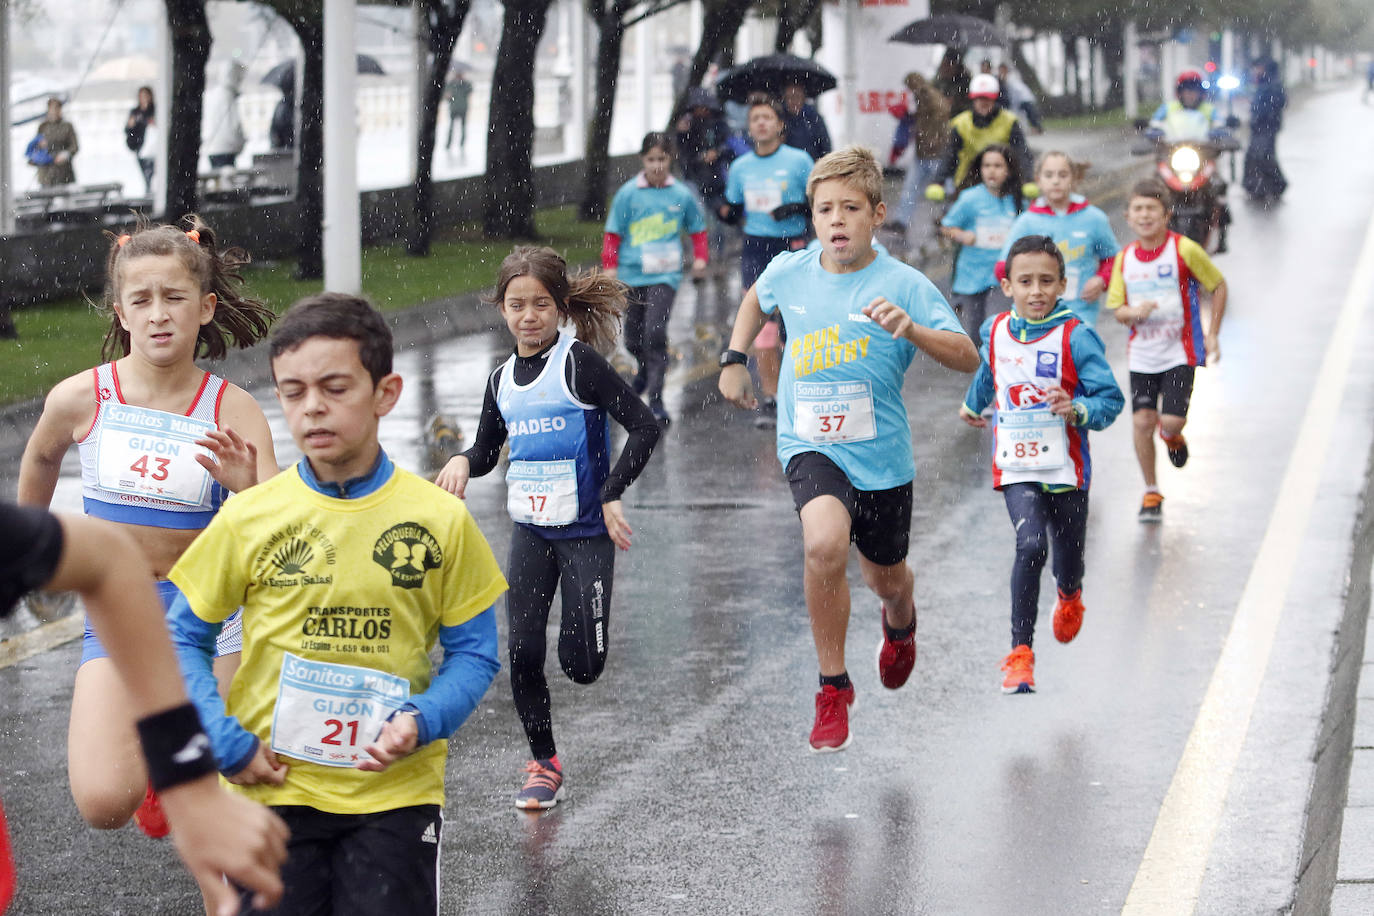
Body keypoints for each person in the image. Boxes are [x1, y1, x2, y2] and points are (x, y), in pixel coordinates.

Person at [166, 294, 505, 914]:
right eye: (292, 392)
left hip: (393, 798)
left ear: (386, 392)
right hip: (267, 793)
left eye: (334, 387)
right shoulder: (250, 516)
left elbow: (476, 654)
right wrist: (223, 738)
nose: (312, 407)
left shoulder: (441, 520)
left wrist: (423, 718)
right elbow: (183, 635)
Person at [19, 216, 277, 840]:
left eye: (175, 298)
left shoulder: (233, 409)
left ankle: (177, 771)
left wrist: (249, 491)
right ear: (121, 312)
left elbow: (279, 531)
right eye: (143, 300)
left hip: (212, 615)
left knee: (235, 799)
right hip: (121, 610)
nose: (159, 314)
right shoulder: (83, 398)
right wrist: (28, 545)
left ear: (206, 308)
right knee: (104, 803)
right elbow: (42, 456)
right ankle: (158, 768)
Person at [717, 146, 979, 752]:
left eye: (851, 209)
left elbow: (968, 356)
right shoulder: (791, 271)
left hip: (881, 456)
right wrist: (734, 359)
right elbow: (757, 296)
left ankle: (901, 617)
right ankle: (833, 685)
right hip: (810, 442)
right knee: (824, 544)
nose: (836, 220)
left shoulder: (903, 284)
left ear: (877, 214)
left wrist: (910, 330)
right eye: (824, 209)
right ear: (811, 218)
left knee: (884, 577)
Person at [435, 247, 660, 808]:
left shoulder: (578, 363)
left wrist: (611, 494)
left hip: (585, 532)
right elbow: (487, 451)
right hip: (531, 532)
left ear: (560, 308)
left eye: (540, 304)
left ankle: (583, 636)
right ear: (502, 309)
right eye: (516, 305)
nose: (528, 315)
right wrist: (464, 459)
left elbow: (644, 425)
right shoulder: (501, 380)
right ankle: (543, 761)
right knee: (522, 649)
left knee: (582, 665)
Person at [0, 505, 289, 916]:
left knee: (222, 807)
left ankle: (155, 763)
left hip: (204, 606)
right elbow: (44, 455)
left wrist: (185, 776)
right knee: (104, 800)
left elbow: (108, 559)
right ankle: (147, 760)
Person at [958, 235, 1124, 694]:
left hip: (1066, 471)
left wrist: (1077, 409)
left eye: (1046, 281)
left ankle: (1070, 594)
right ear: (1007, 285)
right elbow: (990, 372)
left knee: (1068, 557)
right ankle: (1020, 655)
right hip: (1017, 468)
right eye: (1025, 281)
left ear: (1063, 285)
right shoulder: (994, 329)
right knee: (1030, 546)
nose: (1036, 291)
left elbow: (1110, 399)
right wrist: (974, 405)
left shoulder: (1076, 335)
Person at [1106, 178, 1228, 522]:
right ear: (1128, 217)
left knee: (1171, 420)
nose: (1145, 216)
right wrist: (1134, 312)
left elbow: (1217, 286)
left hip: (1179, 350)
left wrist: (1213, 333)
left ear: (1166, 215)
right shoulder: (1125, 259)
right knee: (1142, 421)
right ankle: (1151, 491)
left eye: (1152, 209)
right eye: (1138, 210)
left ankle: (1172, 436)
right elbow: (1117, 309)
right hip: (1143, 355)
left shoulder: (1184, 250)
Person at [719, 92, 814, 427]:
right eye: (754, 118)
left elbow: (818, 202)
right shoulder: (741, 167)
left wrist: (797, 208)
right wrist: (725, 209)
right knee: (764, 327)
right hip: (756, 248)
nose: (760, 123)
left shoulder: (799, 161)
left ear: (779, 125)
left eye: (767, 117)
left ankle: (800, 393)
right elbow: (732, 208)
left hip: (792, 245)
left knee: (794, 325)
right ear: (749, 127)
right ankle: (772, 398)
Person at [603, 132, 709, 425]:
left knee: (655, 333)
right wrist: (610, 265)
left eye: (661, 158)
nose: (657, 165)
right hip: (632, 272)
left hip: (666, 274)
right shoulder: (628, 194)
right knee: (633, 337)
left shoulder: (681, 195)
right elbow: (613, 233)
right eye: (651, 159)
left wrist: (701, 258)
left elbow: (697, 229)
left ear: (670, 158)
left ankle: (657, 401)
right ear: (643, 160)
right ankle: (644, 369)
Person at [998, 151, 1119, 329]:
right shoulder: (1027, 222)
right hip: (1036, 315)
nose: (1056, 181)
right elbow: (1002, 267)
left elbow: (1114, 259)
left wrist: (1102, 280)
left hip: (1080, 311)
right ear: (1038, 180)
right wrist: (1026, 288)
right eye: (1049, 175)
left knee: (1075, 354)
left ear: (1075, 178)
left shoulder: (1093, 218)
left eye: (1063, 175)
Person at [939, 143, 1025, 339]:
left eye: (998, 166)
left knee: (1005, 326)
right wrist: (962, 236)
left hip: (1006, 272)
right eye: (987, 166)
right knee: (978, 330)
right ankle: (981, 364)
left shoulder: (1017, 199)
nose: (991, 171)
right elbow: (946, 227)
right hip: (974, 273)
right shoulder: (970, 198)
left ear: (1009, 170)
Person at [926, 74, 1034, 196]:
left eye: (987, 98)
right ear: (973, 99)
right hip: (968, 183)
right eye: (979, 98)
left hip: (1002, 185)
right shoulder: (961, 123)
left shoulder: (1009, 121)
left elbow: (1021, 152)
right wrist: (938, 182)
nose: (983, 103)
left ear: (994, 99)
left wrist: (1028, 179)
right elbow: (949, 154)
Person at [886, 72, 950, 254]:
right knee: (913, 189)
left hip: (935, 153)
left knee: (939, 190)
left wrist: (929, 132)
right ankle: (902, 222)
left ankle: (946, 221)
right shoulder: (920, 100)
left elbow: (941, 113)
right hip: (924, 153)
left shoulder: (928, 97)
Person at [674, 86, 735, 259]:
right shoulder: (687, 126)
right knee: (699, 219)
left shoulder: (719, 124)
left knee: (718, 221)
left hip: (716, 181)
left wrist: (717, 153)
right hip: (695, 180)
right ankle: (701, 256)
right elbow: (684, 155)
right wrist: (681, 135)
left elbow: (729, 148)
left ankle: (718, 255)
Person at [1242, 58, 1287, 202]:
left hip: (1267, 127)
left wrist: (1265, 115)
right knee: (1254, 156)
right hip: (1259, 127)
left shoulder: (1273, 85)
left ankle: (1275, 185)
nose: (1256, 71)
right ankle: (1256, 187)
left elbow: (1280, 103)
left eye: (1259, 68)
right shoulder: (1261, 84)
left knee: (1263, 156)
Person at [1148, 70, 1224, 143]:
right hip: (1171, 149)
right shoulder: (1168, 107)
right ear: (1180, 92)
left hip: (1204, 150)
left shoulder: (1209, 109)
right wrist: (1156, 131)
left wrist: (1217, 132)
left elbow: (1219, 124)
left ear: (1200, 93)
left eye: (1194, 91)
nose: (1190, 95)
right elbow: (1155, 122)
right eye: (1187, 91)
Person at [202, 62, 247, 170]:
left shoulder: (213, 95)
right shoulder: (228, 97)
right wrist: (240, 143)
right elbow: (234, 125)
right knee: (226, 181)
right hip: (227, 148)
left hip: (212, 147)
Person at [29, 97, 78, 187]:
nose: (54, 111)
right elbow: (34, 147)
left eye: (57, 108)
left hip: (64, 174)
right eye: (52, 108)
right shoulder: (43, 126)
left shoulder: (67, 126)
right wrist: (39, 148)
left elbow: (74, 146)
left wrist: (65, 155)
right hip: (46, 174)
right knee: (45, 198)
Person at [781, 80, 832, 163]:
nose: (793, 101)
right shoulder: (780, 116)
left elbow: (825, 145)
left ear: (803, 98)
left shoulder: (813, 117)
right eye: (789, 97)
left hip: (811, 164)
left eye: (797, 97)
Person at [125, 86, 157, 195]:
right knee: (145, 172)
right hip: (139, 144)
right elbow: (128, 128)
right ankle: (148, 190)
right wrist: (131, 125)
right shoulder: (135, 112)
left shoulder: (154, 110)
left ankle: (150, 190)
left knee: (152, 171)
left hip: (152, 146)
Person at [996, 63, 1043, 133]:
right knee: (1028, 114)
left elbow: (1015, 93)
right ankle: (1034, 128)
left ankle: (1035, 128)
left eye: (1002, 70)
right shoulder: (1007, 79)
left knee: (1028, 114)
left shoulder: (1010, 79)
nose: (1001, 73)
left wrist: (1013, 104)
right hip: (1023, 99)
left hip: (1023, 99)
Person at [934, 49, 972, 116]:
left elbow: (969, 106)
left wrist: (955, 103)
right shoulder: (938, 82)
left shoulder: (965, 83)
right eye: (944, 64)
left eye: (949, 64)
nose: (945, 68)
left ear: (957, 67)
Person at [445, 70, 473, 151]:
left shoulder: (465, 84)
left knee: (462, 127)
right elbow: (446, 95)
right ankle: (449, 143)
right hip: (454, 108)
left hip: (462, 108)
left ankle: (461, 143)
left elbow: (470, 90)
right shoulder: (451, 84)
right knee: (451, 127)